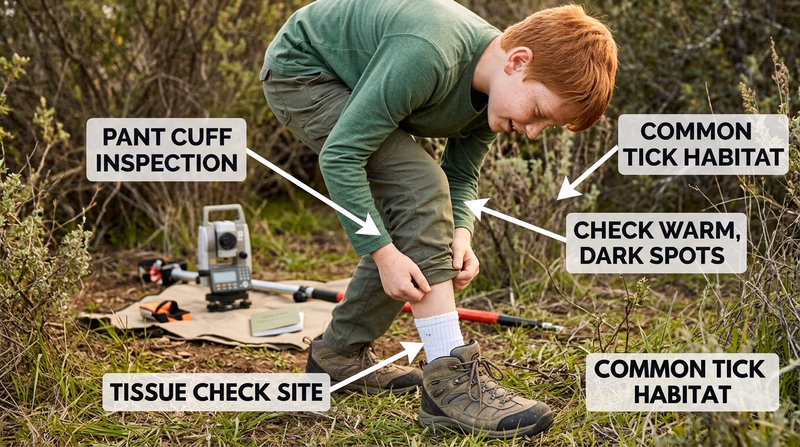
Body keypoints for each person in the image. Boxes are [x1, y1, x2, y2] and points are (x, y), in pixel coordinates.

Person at [260, 0, 616, 439]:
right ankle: (449, 378)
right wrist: (382, 252)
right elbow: (341, 154)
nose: (533, 131)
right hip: (303, 70)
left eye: (548, 126)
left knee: (419, 202)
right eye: (540, 112)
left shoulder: (494, 95)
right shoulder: (430, 53)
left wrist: (460, 234)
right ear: (518, 61)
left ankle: (338, 357)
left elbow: (461, 175)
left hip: (353, 76)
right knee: (418, 188)